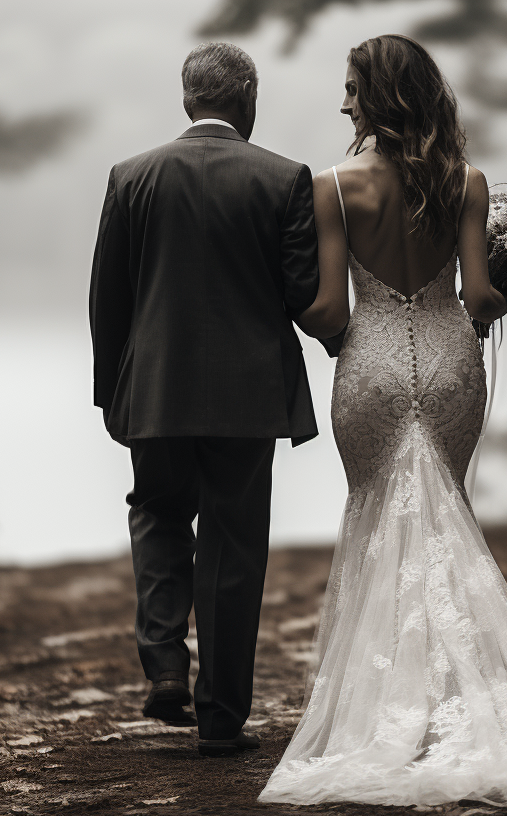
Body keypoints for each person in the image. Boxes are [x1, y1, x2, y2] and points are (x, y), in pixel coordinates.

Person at [258, 35, 507, 807]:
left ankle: (386, 710)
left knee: (377, 519)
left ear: (382, 98)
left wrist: (275, 299)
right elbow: (476, 296)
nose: (344, 103)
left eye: (353, 89)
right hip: (451, 361)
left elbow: (330, 309)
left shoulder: (334, 188)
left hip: (370, 371)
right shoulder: (466, 182)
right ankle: (458, 703)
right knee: (443, 519)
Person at [88, 42, 329, 758]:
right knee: (233, 544)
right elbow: (300, 293)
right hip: (247, 395)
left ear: (188, 99)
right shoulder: (284, 179)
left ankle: (164, 664)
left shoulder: (131, 176)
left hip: (155, 389)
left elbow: (109, 297)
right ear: (248, 97)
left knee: (158, 511)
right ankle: (221, 717)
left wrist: (111, 391)